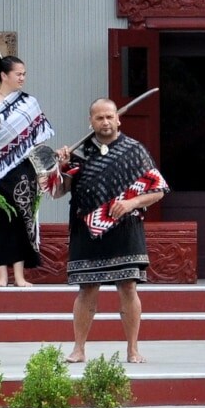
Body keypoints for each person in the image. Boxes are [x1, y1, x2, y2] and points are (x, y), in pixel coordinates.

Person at [55, 98, 168, 363]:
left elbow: (158, 189)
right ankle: (79, 348)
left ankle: (133, 349)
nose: (105, 122)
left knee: (128, 287)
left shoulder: (135, 150)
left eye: (109, 117)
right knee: (87, 288)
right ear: (90, 121)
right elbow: (59, 191)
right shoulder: (79, 154)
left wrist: (131, 203)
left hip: (125, 229)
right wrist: (59, 167)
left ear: (118, 119)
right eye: (99, 118)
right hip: (86, 228)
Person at [0, 54, 54, 287]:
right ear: (4, 75)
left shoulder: (30, 102)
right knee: (0, 220)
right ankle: (1, 276)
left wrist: (42, 172)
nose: (22, 78)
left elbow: (38, 141)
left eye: (24, 74)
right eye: (18, 74)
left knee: (22, 220)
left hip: (24, 169)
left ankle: (20, 275)